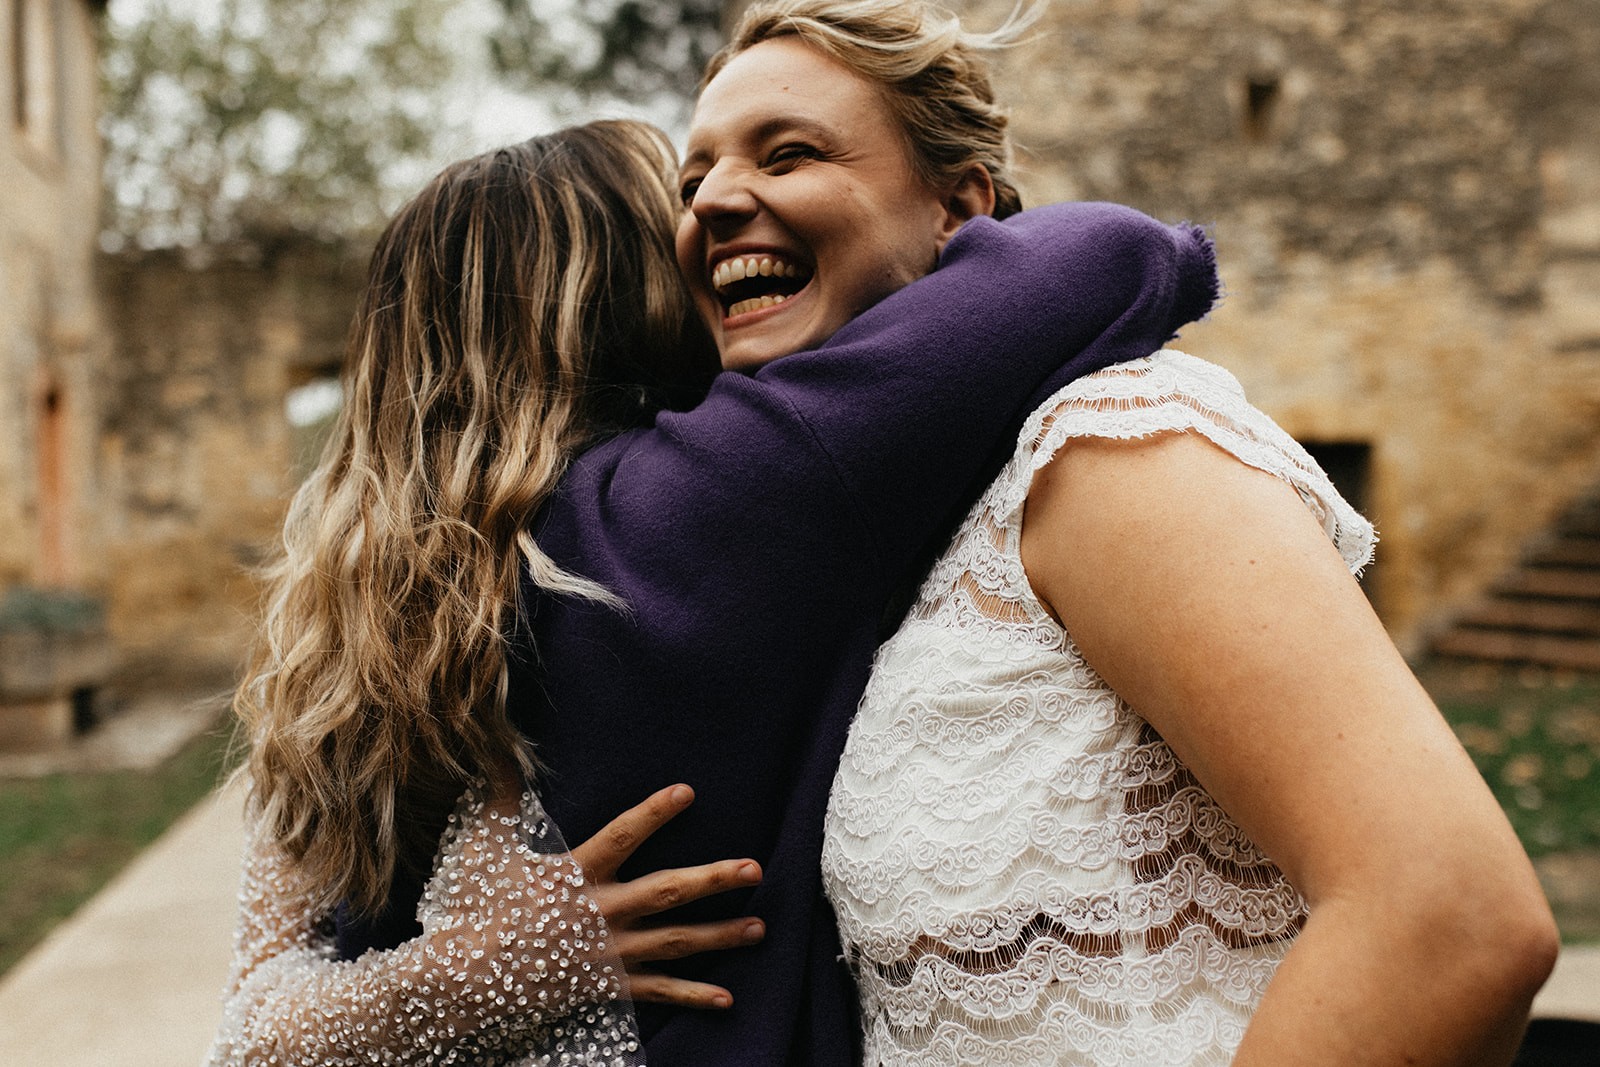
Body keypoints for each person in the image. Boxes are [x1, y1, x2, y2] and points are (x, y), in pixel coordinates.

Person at [224, 92, 1218, 1067]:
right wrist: (510, 963)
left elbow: (249, 1032)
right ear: (633, 298)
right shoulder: (701, 504)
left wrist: (464, 971)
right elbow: (1111, 253)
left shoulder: (350, 623)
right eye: (687, 208)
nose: (713, 225)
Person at [666, 2, 1556, 1065]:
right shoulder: (893, 524)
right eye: (691, 179)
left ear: (960, 205)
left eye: (789, 152)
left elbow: (1448, 919)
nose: (714, 200)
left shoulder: (1101, 447)